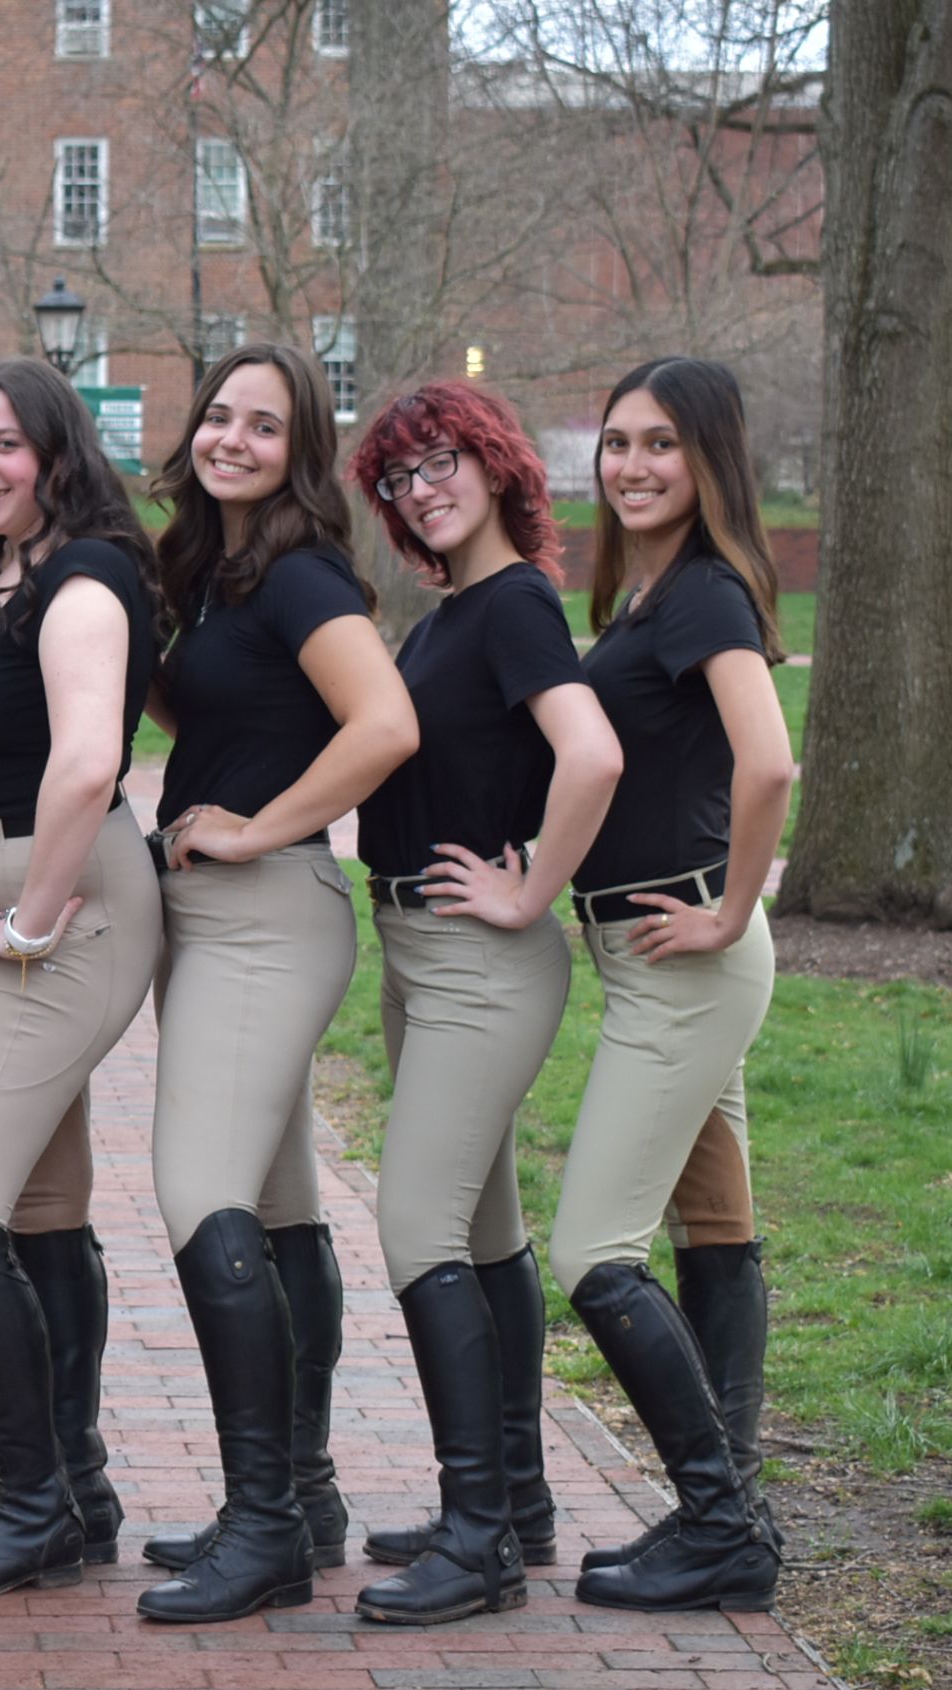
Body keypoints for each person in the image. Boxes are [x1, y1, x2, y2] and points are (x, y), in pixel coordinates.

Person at [134, 344, 418, 1626]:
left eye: (263, 424)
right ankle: (299, 1495)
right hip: (217, 916)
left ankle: (262, 1534)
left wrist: (253, 827)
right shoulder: (212, 573)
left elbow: (385, 724)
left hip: (264, 910)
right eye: (217, 417)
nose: (231, 439)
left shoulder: (300, 574)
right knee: (280, 1202)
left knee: (199, 1194)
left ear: (297, 448)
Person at [335, 384, 623, 1627]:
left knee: (415, 1229)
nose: (420, 490)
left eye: (439, 461)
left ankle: (476, 1542)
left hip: (478, 960)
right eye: (397, 480)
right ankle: (516, 1496)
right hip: (417, 947)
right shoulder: (455, 609)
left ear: (496, 462)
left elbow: (592, 752)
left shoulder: (510, 605)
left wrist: (532, 889)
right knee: (489, 1227)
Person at [0, 357, 166, 1600]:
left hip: (64, 917)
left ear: (60, 453)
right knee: (44, 1202)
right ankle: (81, 1483)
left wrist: (36, 916)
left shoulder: (86, 580)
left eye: (9, 443)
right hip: (5, 914)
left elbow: (88, 759)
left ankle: (27, 1504)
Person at [548, 356, 794, 1614]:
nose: (633, 466)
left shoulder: (699, 594)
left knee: (593, 1253)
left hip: (682, 964)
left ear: (710, 458)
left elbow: (769, 764)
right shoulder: (652, 594)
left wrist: (732, 909)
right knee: (718, 1226)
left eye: (661, 444)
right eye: (618, 443)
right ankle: (729, 1508)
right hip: (650, 953)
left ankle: (716, 1519)